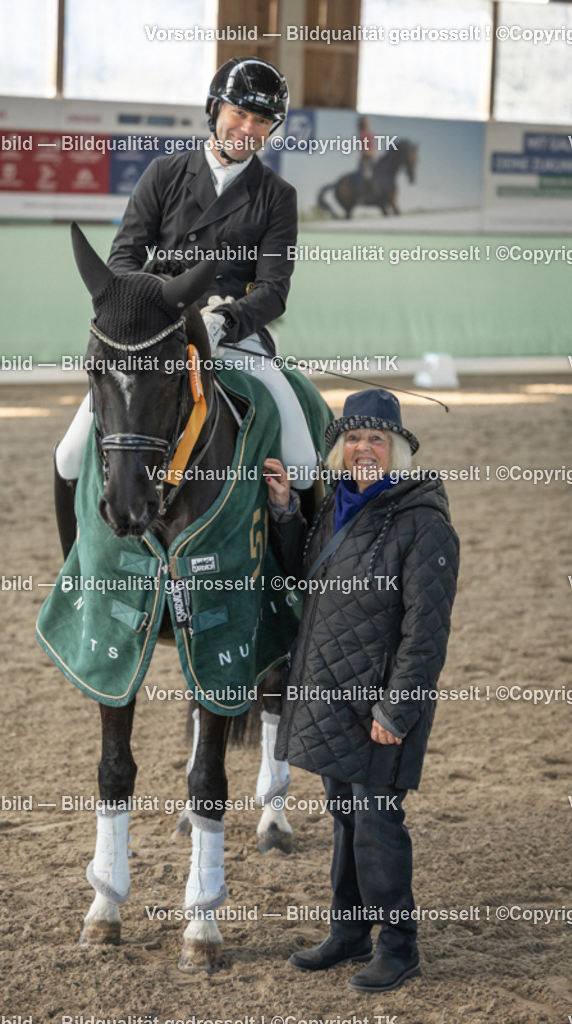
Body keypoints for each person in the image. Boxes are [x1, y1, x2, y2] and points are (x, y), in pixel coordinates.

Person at [263, 388, 459, 993]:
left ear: (397, 448)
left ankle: (399, 947)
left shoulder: (423, 523)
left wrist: (396, 709)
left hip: (379, 705)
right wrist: (286, 512)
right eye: (353, 438)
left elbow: (426, 632)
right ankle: (349, 933)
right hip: (328, 695)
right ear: (340, 449)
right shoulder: (335, 506)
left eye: (377, 438)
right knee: (346, 819)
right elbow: (308, 577)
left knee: (378, 822)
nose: (363, 448)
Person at [55, 56, 317, 500]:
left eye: (261, 120)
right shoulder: (165, 172)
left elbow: (275, 289)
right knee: (69, 454)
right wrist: (142, 310)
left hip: (232, 335)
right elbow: (124, 259)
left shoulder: (277, 196)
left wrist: (227, 320)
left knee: (303, 461)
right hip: (157, 330)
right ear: (215, 109)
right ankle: (75, 566)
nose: (249, 129)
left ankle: (302, 563)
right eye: (239, 114)